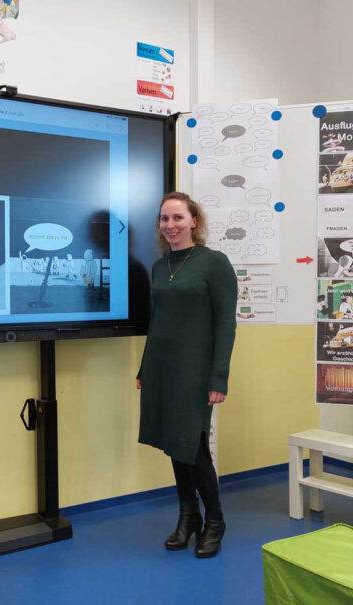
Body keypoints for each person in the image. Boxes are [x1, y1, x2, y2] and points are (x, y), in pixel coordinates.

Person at [136, 191, 237, 559]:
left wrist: (218, 378)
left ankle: (215, 522)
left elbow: (226, 325)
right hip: (162, 367)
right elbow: (157, 322)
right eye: (165, 219)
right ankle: (188, 516)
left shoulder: (214, 263)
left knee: (192, 445)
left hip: (196, 370)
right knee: (174, 444)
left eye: (178, 218)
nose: (171, 225)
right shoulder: (161, 266)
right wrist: (144, 367)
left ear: (194, 220)